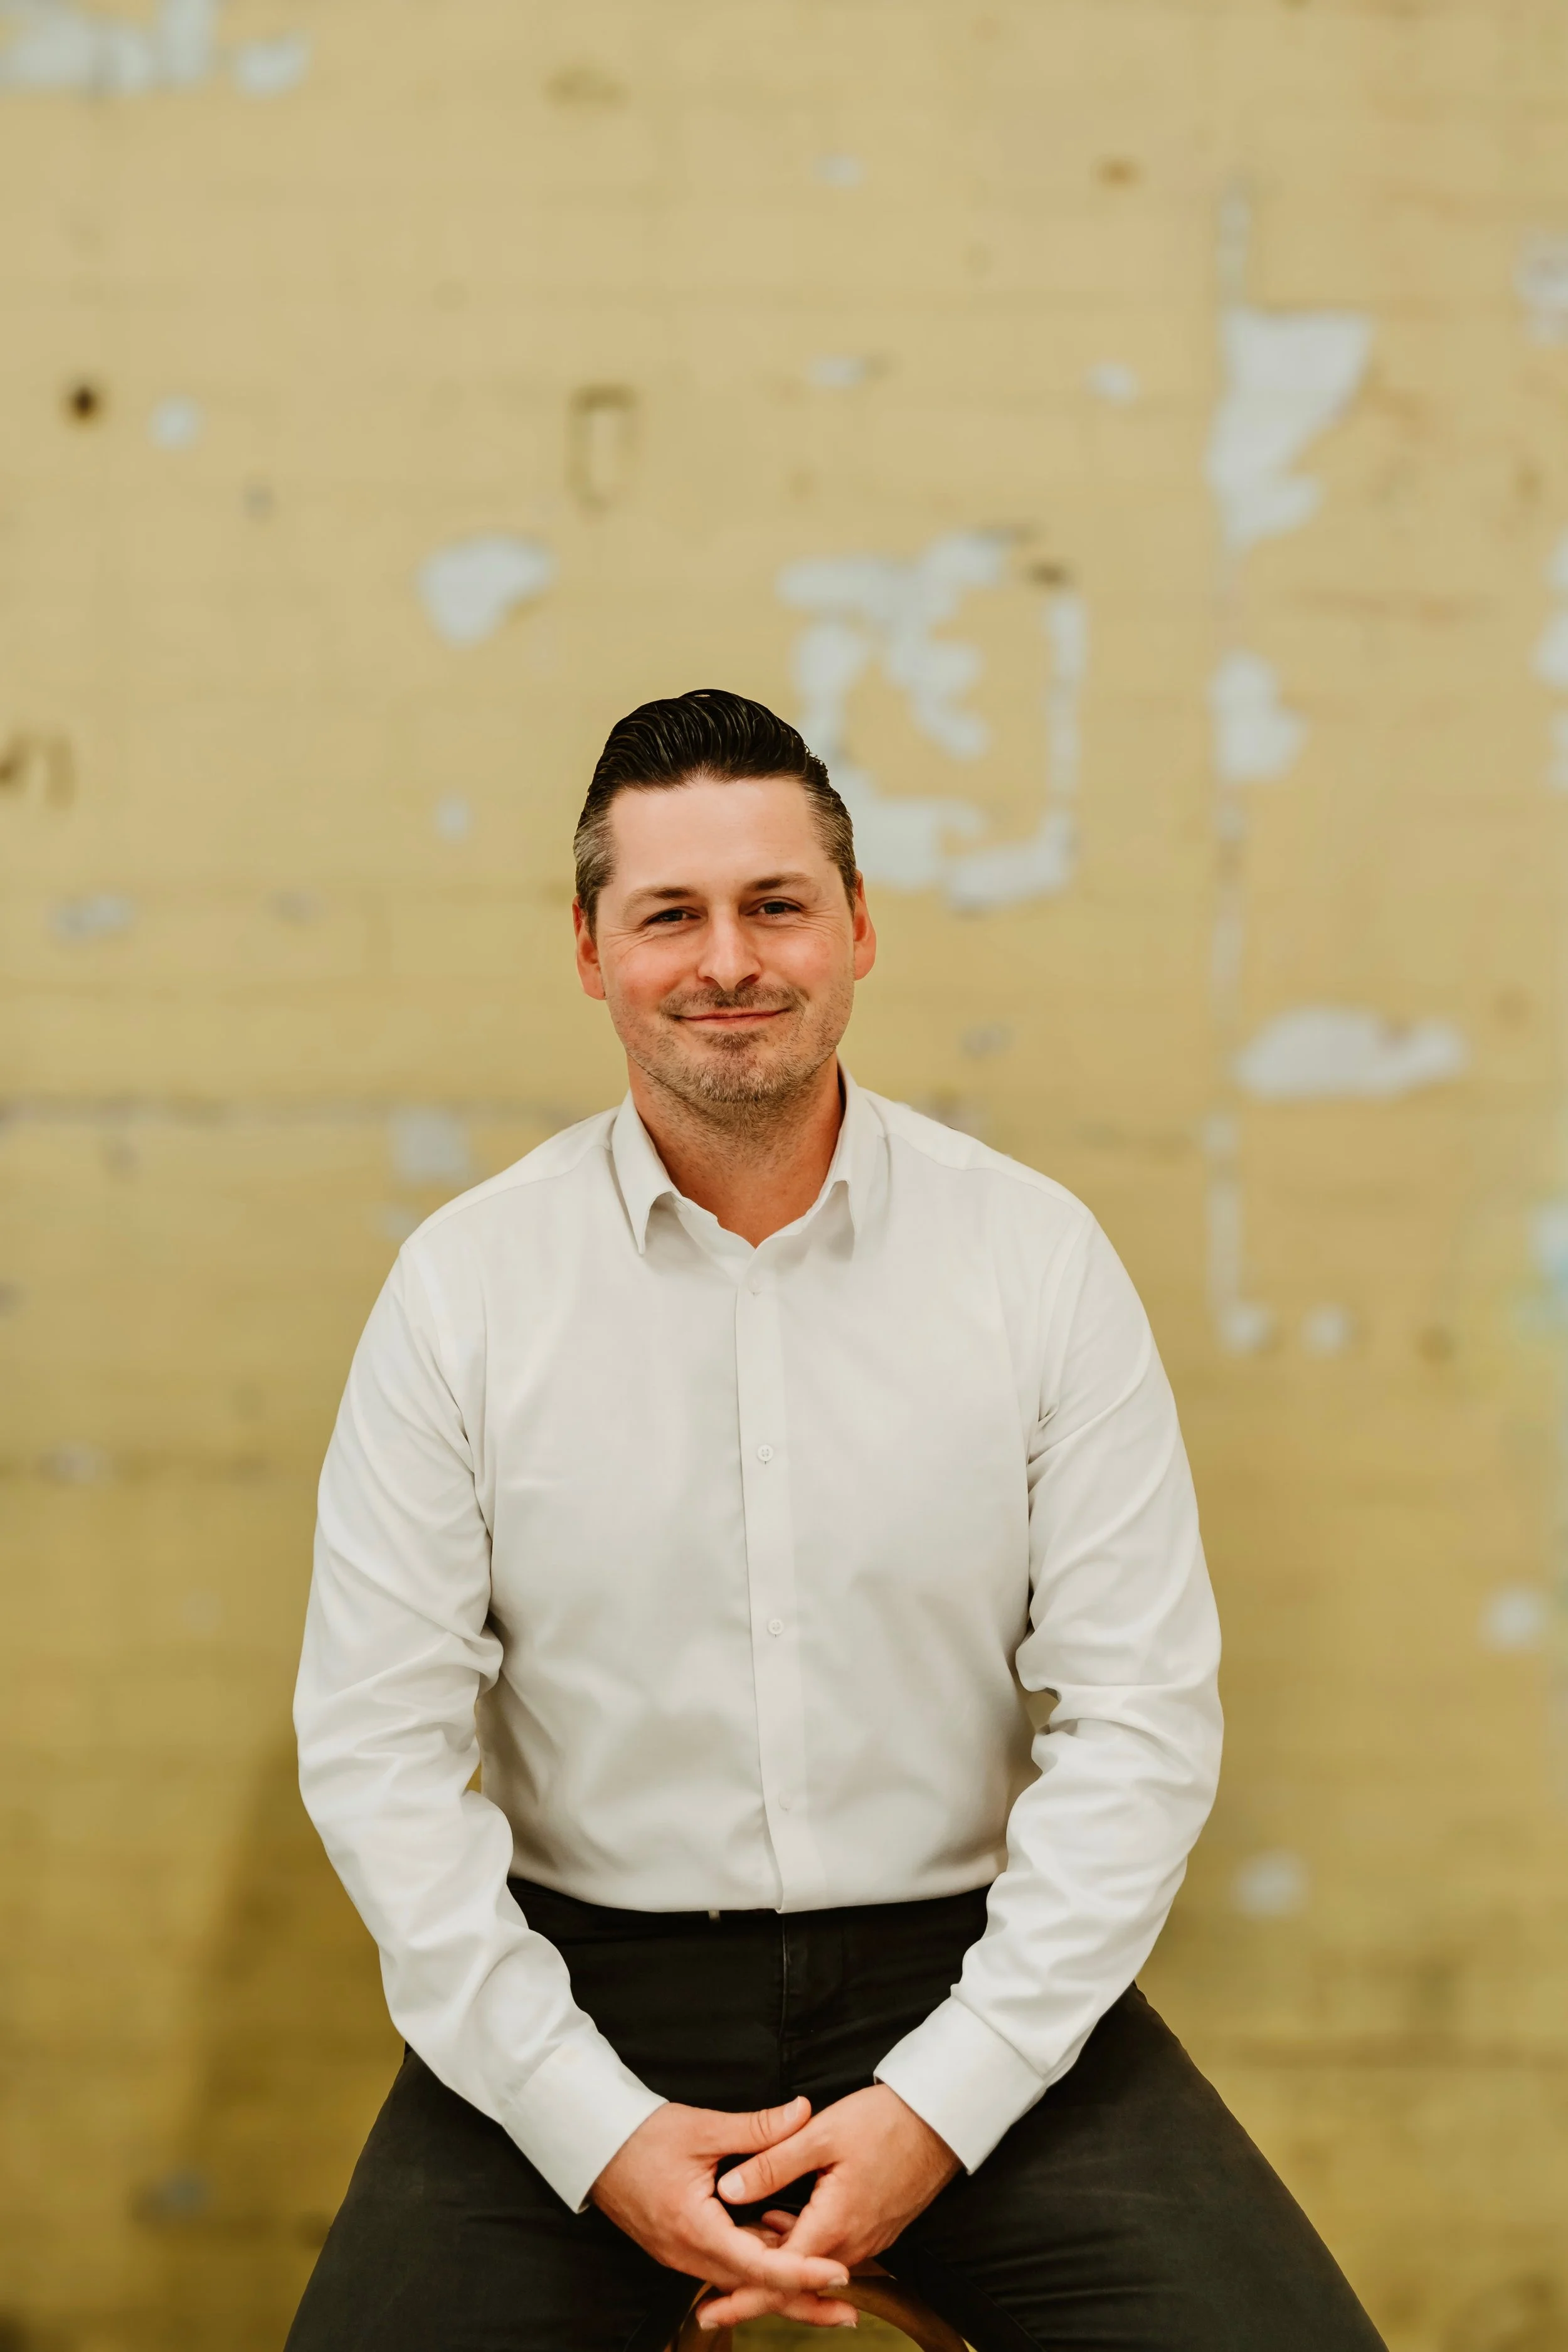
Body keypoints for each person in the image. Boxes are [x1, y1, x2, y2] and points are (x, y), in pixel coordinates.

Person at [287, 689, 1384, 2351]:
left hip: (968, 1977)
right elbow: (377, 1752)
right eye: (670, 913)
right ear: (590, 951)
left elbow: (1140, 1719)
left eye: (776, 904)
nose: (727, 959)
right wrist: (592, 2126)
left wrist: (942, 2101)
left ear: (857, 928)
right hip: (582, 1987)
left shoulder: (1032, 1260)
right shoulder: (466, 1291)